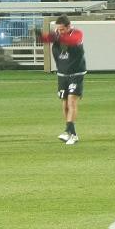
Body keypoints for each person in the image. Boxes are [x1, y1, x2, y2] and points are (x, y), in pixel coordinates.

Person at [36, 15, 85, 144]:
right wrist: (39, 35)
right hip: (62, 73)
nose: (59, 31)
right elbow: (45, 39)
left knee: (71, 102)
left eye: (62, 29)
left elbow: (73, 41)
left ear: (69, 27)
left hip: (76, 73)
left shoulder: (77, 34)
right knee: (64, 104)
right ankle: (70, 132)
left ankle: (70, 133)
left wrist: (57, 37)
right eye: (58, 29)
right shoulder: (57, 35)